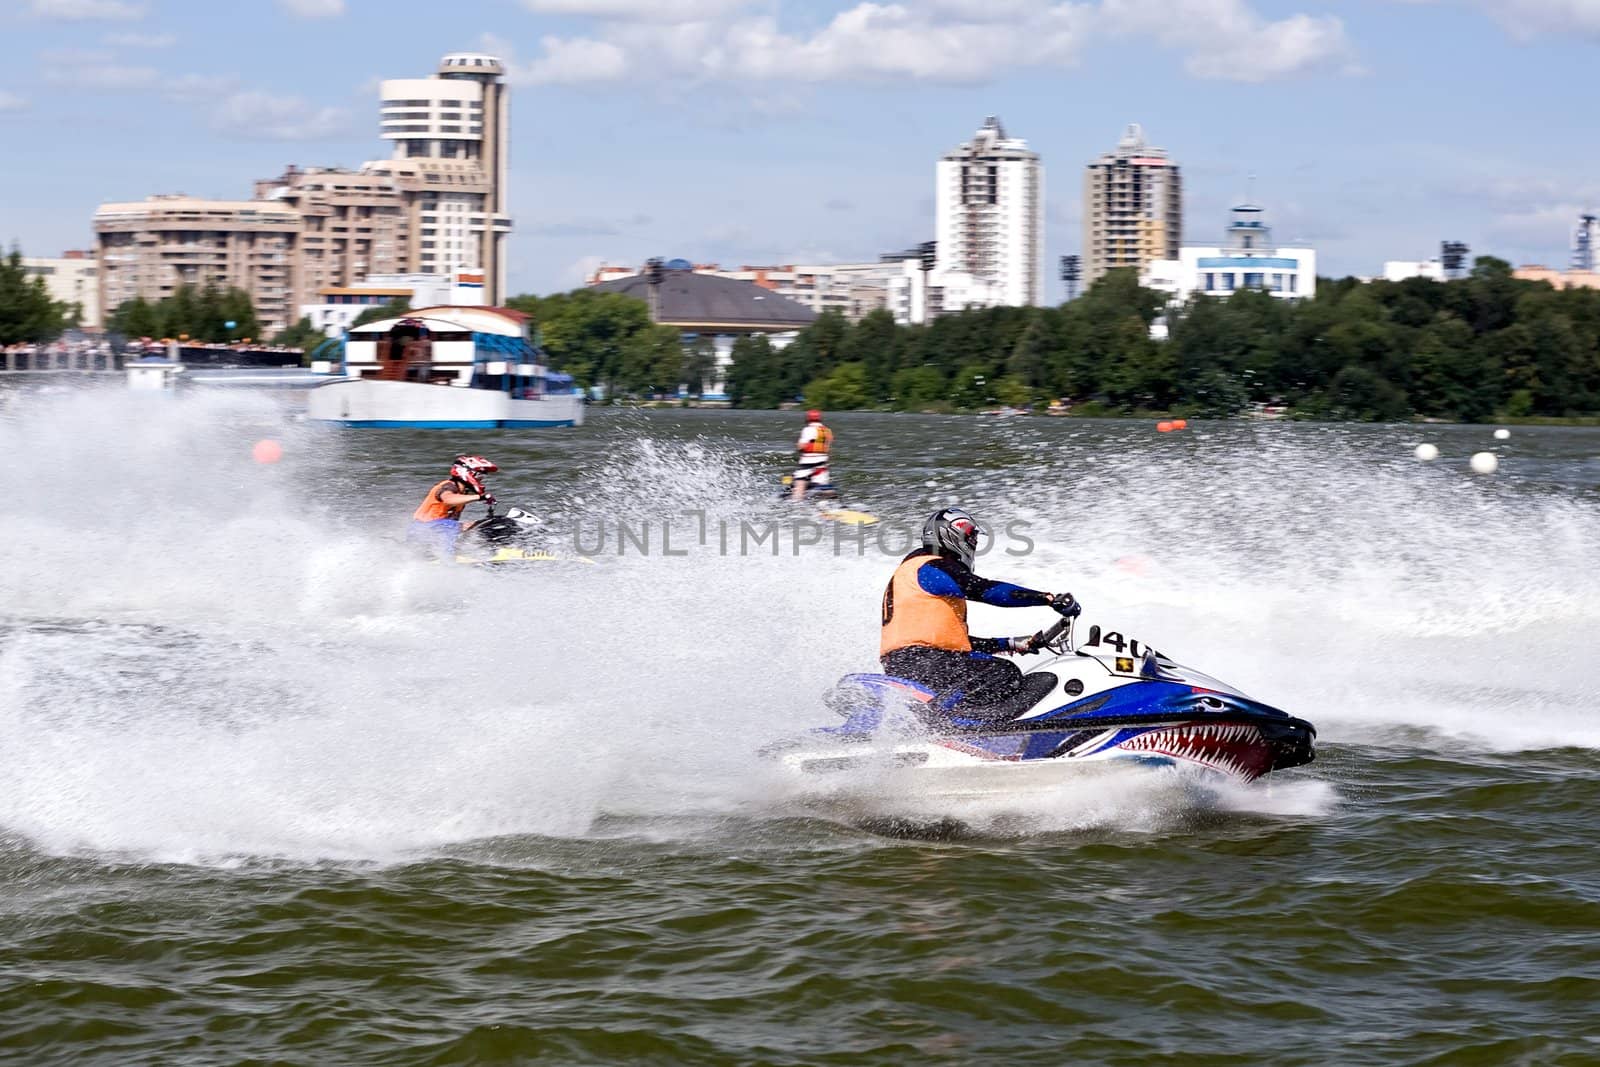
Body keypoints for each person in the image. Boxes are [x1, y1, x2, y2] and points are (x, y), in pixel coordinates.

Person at [879, 507, 1081, 714]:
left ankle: (954, 721)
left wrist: (1014, 643)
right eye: (972, 537)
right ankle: (943, 722)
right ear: (953, 535)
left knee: (992, 671)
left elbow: (956, 643)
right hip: (922, 662)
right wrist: (1047, 598)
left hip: (913, 662)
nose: (974, 544)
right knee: (1002, 672)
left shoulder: (913, 573)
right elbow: (987, 591)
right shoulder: (931, 568)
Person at [407, 454, 498, 558]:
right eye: (479, 476)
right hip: (423, 531)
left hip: (436, 532)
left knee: (484, 525)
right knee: (450, 525)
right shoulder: (448, 486)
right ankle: (447, 559)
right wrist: (479, 497)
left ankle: (492, 551)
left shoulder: (462, 491)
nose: (481, 480)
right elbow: (448, 499)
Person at [790, 409, 834, 501]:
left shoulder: (808, 429)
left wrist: (799, 447)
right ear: (820, 419)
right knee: (823, 486)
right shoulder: (827, 431)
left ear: (807, 419)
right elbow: (828, 448)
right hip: (822, 462)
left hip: (808, 462)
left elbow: (801, 447)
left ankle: (795, 505)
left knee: (799, 485)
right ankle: (831, 505)